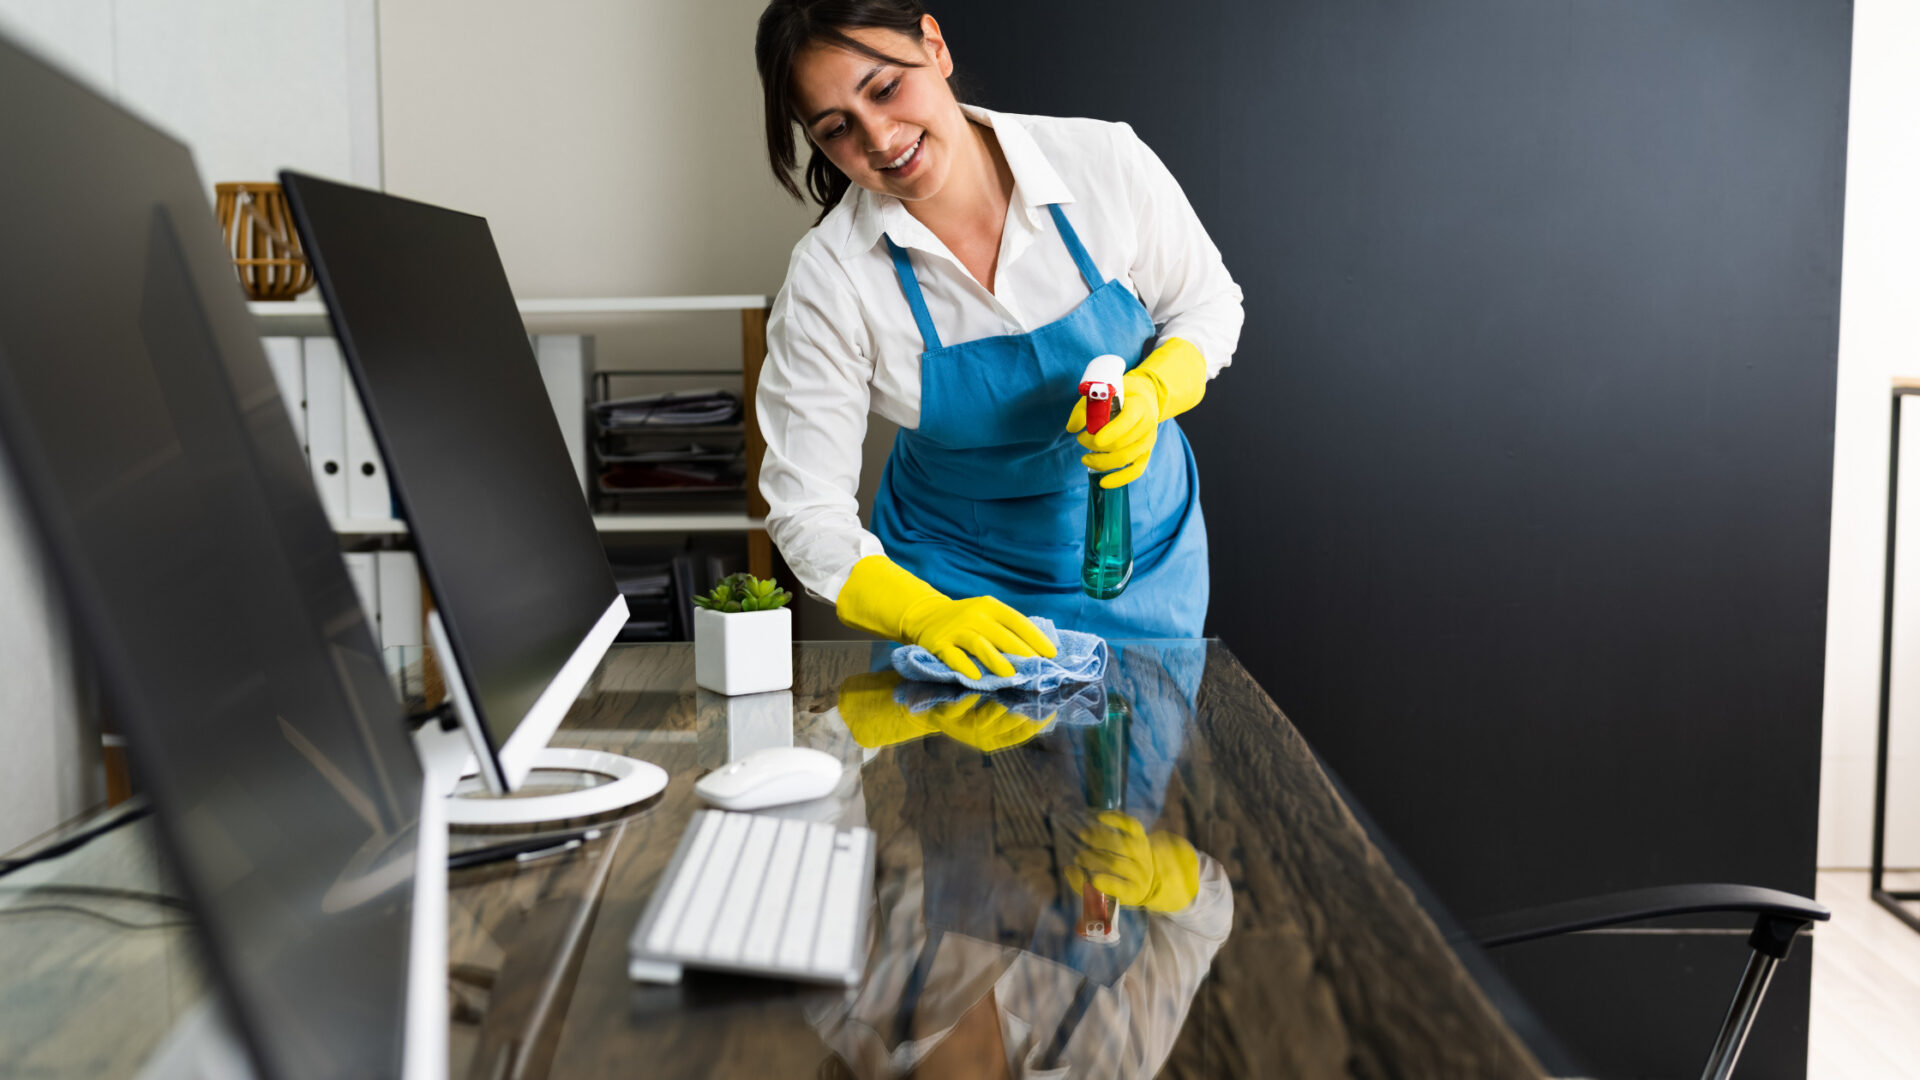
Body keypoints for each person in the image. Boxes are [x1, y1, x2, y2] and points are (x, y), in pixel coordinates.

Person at [753, 0, 1243, 680]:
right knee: (958, 780)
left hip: (1137, 562)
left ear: (934, 44)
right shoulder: (832, 279)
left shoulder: (1100, 164)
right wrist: (923, 614)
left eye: (886, 88)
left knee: (1131, 776)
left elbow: (1207, 305)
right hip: (955, 583)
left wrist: (1155, 391)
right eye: (837, 129)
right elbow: (806, 508)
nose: (880, 137)